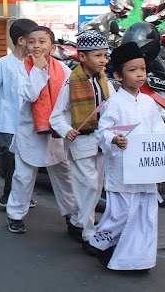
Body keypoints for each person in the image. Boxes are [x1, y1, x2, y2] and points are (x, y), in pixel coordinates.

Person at [90, 42, 165, 270]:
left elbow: (158, 132)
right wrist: (114, 139)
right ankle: (101, 242)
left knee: (145, 216)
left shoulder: (148, 102)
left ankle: (137, 260)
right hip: (123, 172)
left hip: (145, 173)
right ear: (119, 75)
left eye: (142, 69)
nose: (139, 74)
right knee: (122, 215)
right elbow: (103, 132)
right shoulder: (113, 103)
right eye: (132, 70)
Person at [6, 26, 80, 237]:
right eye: (32, 42)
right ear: (25, 45)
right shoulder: (23, 68)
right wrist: (38, 70)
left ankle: (73, 217)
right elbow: (29, 95)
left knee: (64, 175)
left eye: (41, 42)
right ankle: (16, 214)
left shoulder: (63, 70)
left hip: (57, 132)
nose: (36, 46)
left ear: (52, 46)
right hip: (31, 132)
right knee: (23, 176)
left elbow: (71, 95)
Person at [49, 30, 114, 255]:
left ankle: (77, 220)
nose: (103, 60)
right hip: (81, 142)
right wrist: (66, 131)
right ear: (83, 57)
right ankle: (88, 233)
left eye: (104, 55)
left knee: (95, 188)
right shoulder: (71, 82)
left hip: (101, 141)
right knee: (87, 186)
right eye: (98, 55)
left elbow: (113, 106)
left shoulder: (104, 81)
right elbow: (56, 116)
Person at [0, 18, 39, 207]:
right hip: (7, 122)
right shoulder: (3, 63)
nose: (36, 45)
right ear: (21, 40)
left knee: (27, 161)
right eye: (32, 40)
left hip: (28, 123)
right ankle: (9, 194)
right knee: (12, 161)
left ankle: (22, 194)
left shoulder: (36, 64)